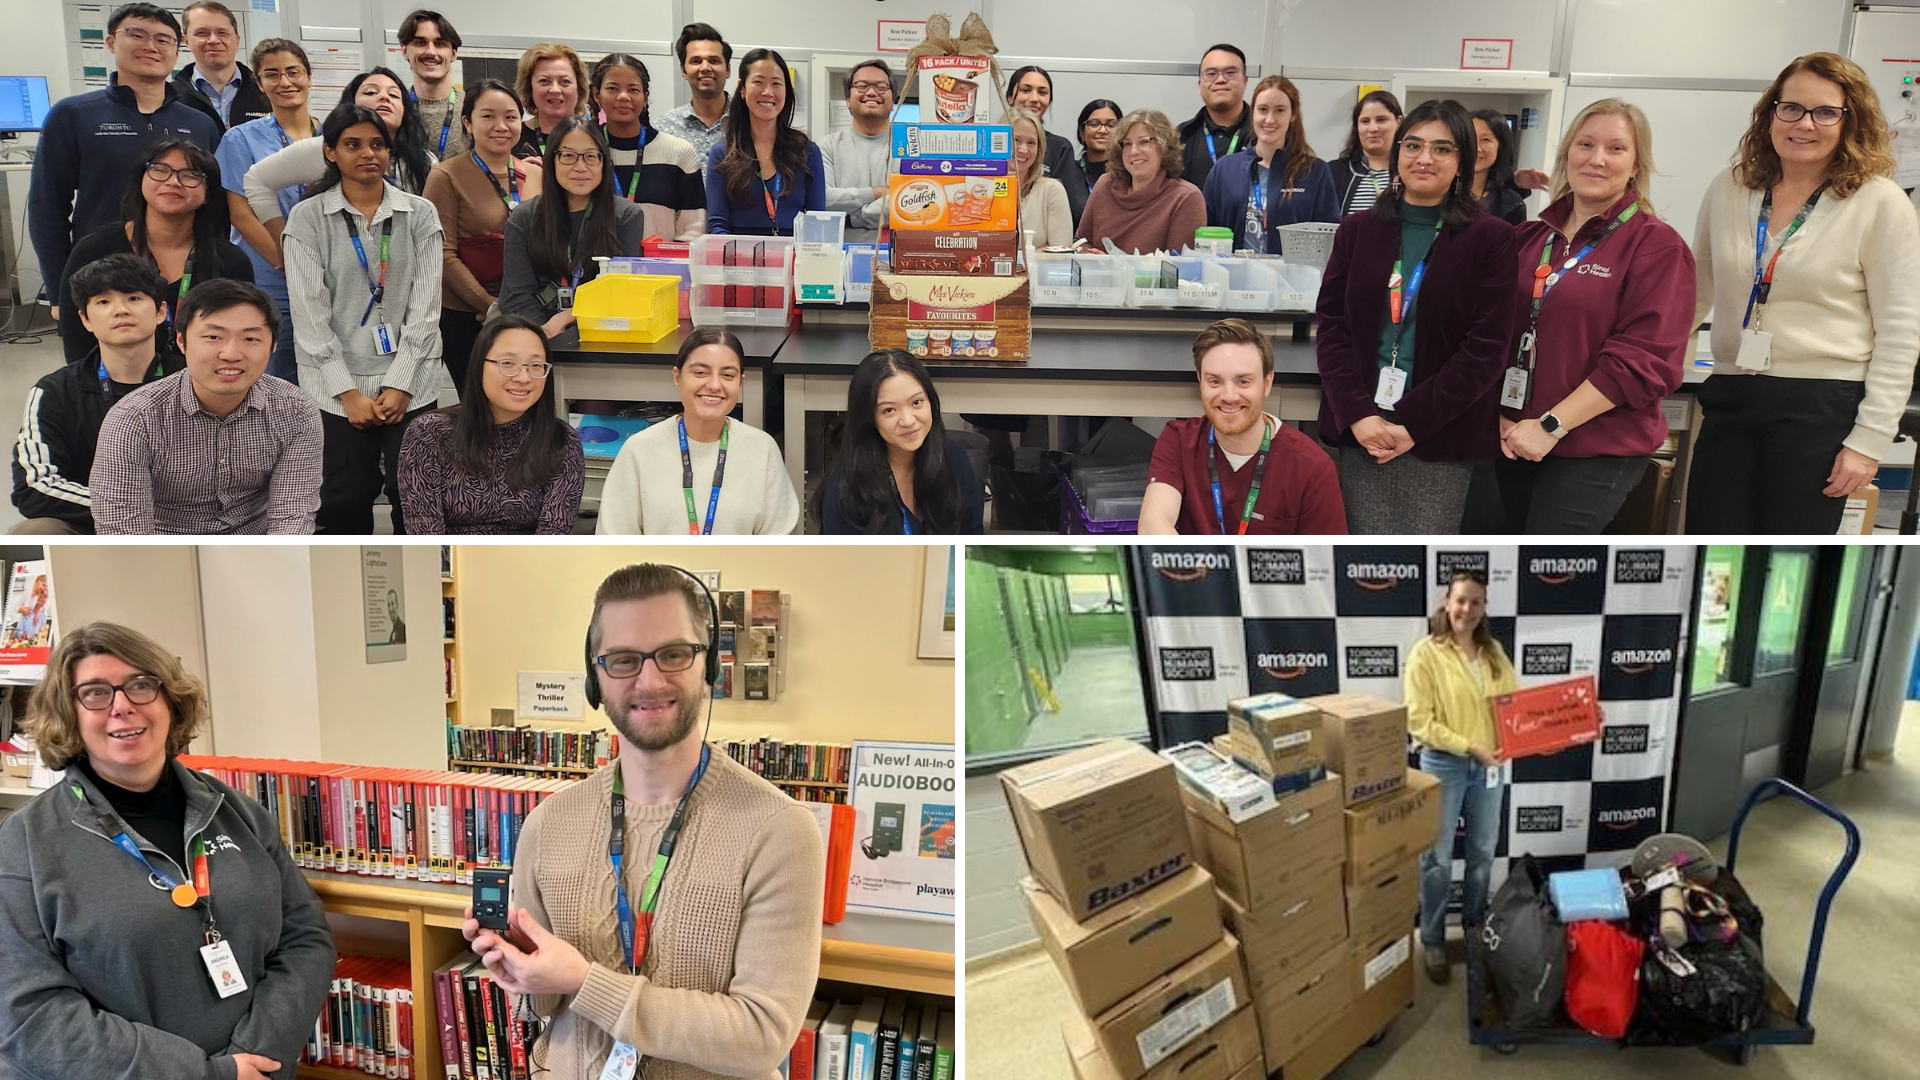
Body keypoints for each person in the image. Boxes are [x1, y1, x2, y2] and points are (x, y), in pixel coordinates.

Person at [459, 562, 823, 1078]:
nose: (649, 681)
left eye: (673, 654)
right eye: (624, 660)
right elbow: (544, 1009)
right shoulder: (547, 825)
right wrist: (519, 964)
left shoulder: (780, 832)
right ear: (596, 678)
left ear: (709, 667)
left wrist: (585, 981)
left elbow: (761, 1036)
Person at [0, 620, 336, 1080]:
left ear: (170, 702)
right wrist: (205, 1074)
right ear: (68, 714)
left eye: (140, 685)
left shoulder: (238, 812)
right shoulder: (23, 844)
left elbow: (305, 938)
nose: (122, 706)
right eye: (95, 693)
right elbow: (28, 1014)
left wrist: (256, 1056)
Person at [1689, 52, 1920, 534]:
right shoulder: (1730, 187)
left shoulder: (1879, 202)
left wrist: (1869, 440)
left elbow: (1900, 331)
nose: (1804, 124)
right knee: (1713, 553)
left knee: (1788, 562)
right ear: (1770, 112)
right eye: (1791, 107)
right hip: (1732, 393)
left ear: (1850, 121)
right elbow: (1693, 295)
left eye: (1825, 112)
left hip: (1821, 404)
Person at [1314, 98, 1519, 534]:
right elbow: (1332, 328)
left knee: (1421, 561)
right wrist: (1357, 413)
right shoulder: (1357, 231)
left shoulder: (1493, 239)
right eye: (1413, 145)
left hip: (1438, 434)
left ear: (1462, 162)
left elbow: (1487, 350)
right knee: (1359, 557)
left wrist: (1413, 422)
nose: (1424, 158)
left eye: (1442, 148)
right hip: (1363, 428)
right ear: (1398, 153)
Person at [1496, 99, 1696, 533]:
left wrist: (1551, 426)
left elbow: (1644, 362)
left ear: (1636, 164)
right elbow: (1490, 333)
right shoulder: (1528, 238)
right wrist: (1497, 415)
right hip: (1510, 437)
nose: (1597, 159)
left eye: (1616, 148)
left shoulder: (1656, 246)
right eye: (1585, 144)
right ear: (1567, 152)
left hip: (1594, 447)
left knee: (1546, 568)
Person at [282, 105, 446, 535]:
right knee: (344, 497)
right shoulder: (307, 218)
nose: (368, 154)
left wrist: (401, 383)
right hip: (333, 386)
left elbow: (426, 310)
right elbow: (309, 316)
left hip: (412, 379)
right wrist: (348, 393)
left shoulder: (420, 214)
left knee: (414, 495)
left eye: (377, 145)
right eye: (353, 145)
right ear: (331, 152)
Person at [28, 3, 221, 319]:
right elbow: (46, 206)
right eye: (136, 35)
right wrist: (59, 289)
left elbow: (215, 205)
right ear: (110, 42)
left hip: (186, 277)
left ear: (177, 50)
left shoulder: (200, 123)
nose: (151, 46)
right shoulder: (74, 115)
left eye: (163, 39)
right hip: (101, 277)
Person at [90, 278, 322, 534]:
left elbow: (293, 514)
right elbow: (124, 532)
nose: (231, 354)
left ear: (273, 346)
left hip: (259, 545)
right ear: (181, 341)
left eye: (250, 339)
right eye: (213, 337)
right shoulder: (134, 419)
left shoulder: (295, 410)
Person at [14, 256, 185, 534]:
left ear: (160, 312)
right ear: (86, 319)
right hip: (96, 521)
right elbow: (35, 486)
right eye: (103, 302)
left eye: (134, 298)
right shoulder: (55, 391)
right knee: (34, 531)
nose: (121, 310)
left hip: (189, 520)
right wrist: (128, 508)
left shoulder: (193, 381)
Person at [1404, 571, 1517, 985]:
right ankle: (1433, 940)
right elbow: (1420, 722)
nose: (1467, 609)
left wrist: (1571, 721)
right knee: (1436, 858)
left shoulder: (1494, 652)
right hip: (1444, 764)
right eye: (1461, 600)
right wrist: (1470, 747)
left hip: (1489, 766)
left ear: (1484, 607)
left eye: (1476, 602)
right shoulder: (1426, 654)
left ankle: (1473, 930)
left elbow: (1516, 706)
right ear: (1446, 602)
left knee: (1483, 852)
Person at [1140, 318, 1347, 534]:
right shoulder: (1179, 440)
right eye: (1215, 381)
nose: (1229, 396)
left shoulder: (1313, 468)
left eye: (1243, 382)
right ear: (1200, 380)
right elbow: (1153, 521)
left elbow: (1326, 554)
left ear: (1267, 384)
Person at [56, 137, 252, 365]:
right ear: (141, 179)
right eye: (160, 170)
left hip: (202, 379)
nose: (173, 182)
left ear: (208, 193)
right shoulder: (95, 250)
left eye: (190, 175)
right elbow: (76, 337)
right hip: (113, 379)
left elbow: (241, 335)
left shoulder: (230, 261)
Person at [596, 327, 798, 535]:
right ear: (677, 378)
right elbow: (613, 542)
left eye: (728, 375)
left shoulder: (762, 450)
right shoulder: (639, 451)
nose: (714, 385)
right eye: (701, 373)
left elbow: (779, 542)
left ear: (740, 383)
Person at [397, 314, 586, 535]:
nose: (524, 378)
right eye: (508, 363)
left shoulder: (561, 440)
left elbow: (552, 536)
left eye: (536, 365)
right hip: (450, 556)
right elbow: (425, 534)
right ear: (479, 365)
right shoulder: (429, 433)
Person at [424, 80, 546, 388]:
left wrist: (518, 308)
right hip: (468, 315)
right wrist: (490, 306)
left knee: (526, 397)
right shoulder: (446, 176)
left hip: (528, 311)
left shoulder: (536, 174)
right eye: (488, 116)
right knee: (480, 404)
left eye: (511, 117)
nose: (501, 126)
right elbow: (441, 253)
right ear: (468, 122)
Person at [215, 38, 319, 382]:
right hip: (272, 277)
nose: (285, 82)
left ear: (308, 76)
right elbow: (240, 213)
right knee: (277, 373)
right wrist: (288, 260)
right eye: (272, 75)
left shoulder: (332, 136)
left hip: (326, 277)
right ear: (259, 84)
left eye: (293, 72)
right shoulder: (240, 139)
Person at [242, 68, 438, 244]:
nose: (384, 98)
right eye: (371, 92)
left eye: (394, 95)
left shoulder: (424, 160)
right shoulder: (323, 149)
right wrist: (283, 242)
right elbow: (256, 180)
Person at [499, 118, 647, 340]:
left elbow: (623, 294)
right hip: (536, 338)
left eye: (591, 156)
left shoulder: (627, 216)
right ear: (552, 161)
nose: (580, 167)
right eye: (568, 156)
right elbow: (515, 297)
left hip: (602, 335)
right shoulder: (524, 217)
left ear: (604, 163)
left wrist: (570, 319)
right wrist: (545, 335)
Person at [816, 350, 984, 535]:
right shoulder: (845, 485)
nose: (908, 420)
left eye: (917, 402)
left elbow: (973, 540)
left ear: (931, 402)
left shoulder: (954, 460)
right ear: (869, 418)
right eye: (889, 410)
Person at [1201, 75, 1338, 254]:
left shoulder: (1314, 171)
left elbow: (1329, 238)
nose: (1269, 119)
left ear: (1293, 115)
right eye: (1263, 110)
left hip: (1293, 271)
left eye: (1279, 110)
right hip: (1231, 270)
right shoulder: (1225, 169)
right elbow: (1206, 231)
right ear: (1253, 113)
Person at [706, 49, 825, 236]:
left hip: (793, 251)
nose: (768, 92)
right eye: (758, 82)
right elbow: (717, 224)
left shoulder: (807, 152)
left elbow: (817, 222)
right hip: (739, 252)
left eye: (776, 83)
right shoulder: (723, 152)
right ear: (742, 89)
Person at [590, 53, 706, 240]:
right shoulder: (585, 152)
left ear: (645, 98)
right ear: (597, 95)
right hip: (597, 258)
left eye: (633, 90)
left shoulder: (678, 153)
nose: (623, 96)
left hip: (659, 259)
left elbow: (693, 229)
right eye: (612, 88)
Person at [1075, 109, 1206, 254]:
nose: (1134, 151)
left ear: (1164, 147)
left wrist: (1113, 263)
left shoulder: (1184, 197)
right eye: (1127, 144)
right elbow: (1081, 241)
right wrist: (1090, 256)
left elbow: (1178, 265)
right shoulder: (1105, 184)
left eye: (1144, 142)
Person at [820, 59, 894, 242]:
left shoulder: (911, 148)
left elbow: (910, 202)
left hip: (897, 255)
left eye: (881, 86)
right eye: (862, 86)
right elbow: (823, 200)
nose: (871, 92)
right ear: (847, 100)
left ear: (893, 100)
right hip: (838, 255)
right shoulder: (827, 147)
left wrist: (852, 219)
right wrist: (875, 193)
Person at [1007, 65, 1089, 222]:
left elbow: (1068, 209)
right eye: (1026, 90)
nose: (1034, 98)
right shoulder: (987, 143)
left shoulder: (1060, 148)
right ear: (1010, 96)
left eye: (1042, 93)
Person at [171, 1, 268, 131]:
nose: (213, 40)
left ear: (237, 40)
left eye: (222, 33)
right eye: (202, 33)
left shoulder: (267, 92)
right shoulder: (170, 97)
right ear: (186, 41)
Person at [658, 23, 733, 179]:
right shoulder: (663, 128)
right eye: (696, 61)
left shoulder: (749, 122)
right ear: (683, 71)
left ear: (728, 70)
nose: (705, 68)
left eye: (714, 61)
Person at [1177, 44, 1253, 192]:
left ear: (1245, 81)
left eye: (1230, 73)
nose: (1220, 80)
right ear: (1200, 85)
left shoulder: (1264, 134)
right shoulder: (1181, 136)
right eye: (1211, 74)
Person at [400, 9, 471, 161]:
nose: (431, 52)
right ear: (405, 51)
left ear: (453, 54)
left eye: (440, 44)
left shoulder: (473, 107)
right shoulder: (395, 108)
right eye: (420, 43)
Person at [1469, 109, 1550, 227]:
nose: (1477, 148)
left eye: (1486, 140)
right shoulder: (1443, 192)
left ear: (1501, 146)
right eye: (1470, 138)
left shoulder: (1512, 206)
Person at [1328, 90, 1403, 217]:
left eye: (1381, 120)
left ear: (1398, 122)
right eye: (1365, 121)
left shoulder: (1411, 171)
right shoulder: (1334, 172)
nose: (1372, 128)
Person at [1010, 109, 1073, 248]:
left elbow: (1060, 253)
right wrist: (1039, 250)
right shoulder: (980, 187)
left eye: (1031, 143)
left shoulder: (1052, 190)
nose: (1023, 149)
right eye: (1016, 140)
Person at [514, 43, 588, 160]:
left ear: (579, 87)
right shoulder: (513, 138)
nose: (555, 90)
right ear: (529, 88)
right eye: (544, 81)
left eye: (565, 81)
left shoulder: (597, 137)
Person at [1071, 99, 1122, 208]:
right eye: (1094, 124)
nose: (1102, 130)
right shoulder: (1069, 172)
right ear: (1081, 133)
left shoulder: (1128, 172)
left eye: (1111, 125)